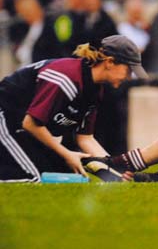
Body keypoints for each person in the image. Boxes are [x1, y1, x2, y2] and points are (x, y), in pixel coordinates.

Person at [0, 35, 148, 183]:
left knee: (70, 180)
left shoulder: (95, 90)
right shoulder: (65, 79)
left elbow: (85, 138)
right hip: (7, 119)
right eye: (128, 70)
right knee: (33, 179)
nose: (129, 77)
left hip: (24, 128)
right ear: (109, 62)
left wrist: (115, 170)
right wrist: (66, 154)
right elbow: (31, 123)